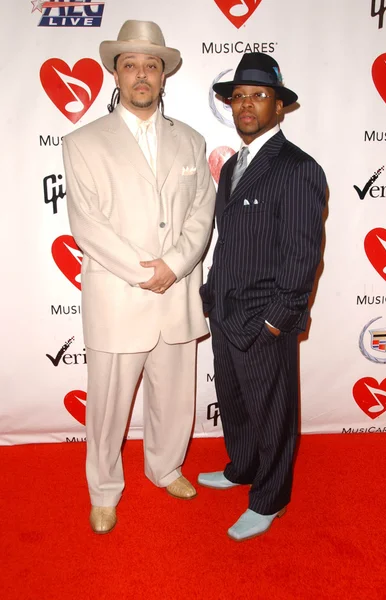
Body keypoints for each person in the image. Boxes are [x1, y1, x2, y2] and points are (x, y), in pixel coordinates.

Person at [62, 20, 215, 534]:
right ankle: (103, 489)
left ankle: (165, 466)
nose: (142, 74)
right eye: (131, 65)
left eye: (152, 65)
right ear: (117, 74)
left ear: (165, 76)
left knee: (175, 397)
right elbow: (86, 223)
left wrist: (173, 267)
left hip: (176, 293)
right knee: (106, 407)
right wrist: (140, 271)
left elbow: (201, 213)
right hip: (117, 296)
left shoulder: (192, 141)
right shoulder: (82, 142)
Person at [198, 52, 326, 541]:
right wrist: (211, 295)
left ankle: (270, 498)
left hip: (264, 320)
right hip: (226, 313)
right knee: (233, 402)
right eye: (239, 97)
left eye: (259, 96)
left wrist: (276, 319)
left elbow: (303, 255)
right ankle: (242, 468)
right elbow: (228, 239)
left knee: (273, 412)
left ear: (279, 106)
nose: (246, 105)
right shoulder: (232, 166)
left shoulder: (297, 168)